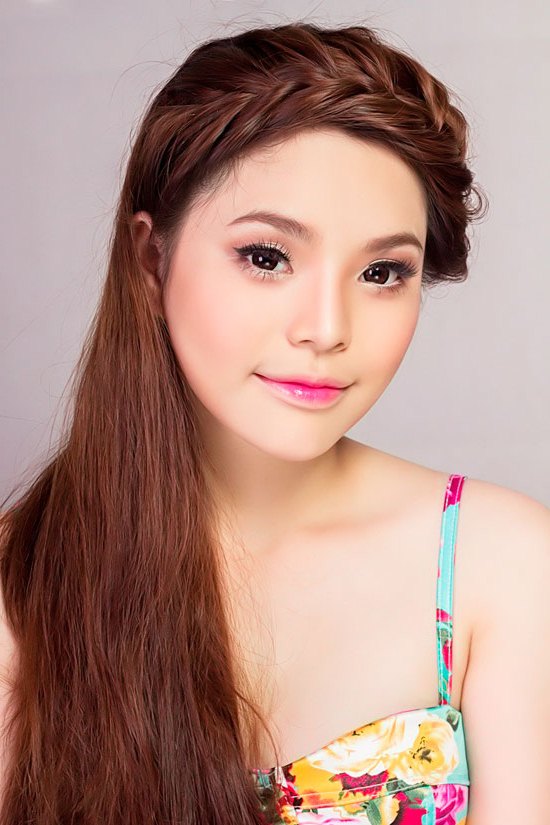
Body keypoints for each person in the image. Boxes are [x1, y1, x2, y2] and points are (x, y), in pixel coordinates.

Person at [0, 20, 548, 825]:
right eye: (267, 256)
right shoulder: (24, 581)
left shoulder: (496, 564)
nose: (326, 328)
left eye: (381, 271)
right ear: (152, 259)